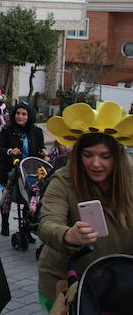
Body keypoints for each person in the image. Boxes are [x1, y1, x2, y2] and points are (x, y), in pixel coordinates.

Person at [37, 103, 133, 311]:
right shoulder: (64, 180)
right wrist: (68, 235)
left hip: (120, 283)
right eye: (88, 155)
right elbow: (47, 225)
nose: (95, 164)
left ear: (117, 156)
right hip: (68, 283)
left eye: (105, 156)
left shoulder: (130, 177)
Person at [0, 102, 46, 236]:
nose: (20, 116)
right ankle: (4, 224)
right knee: (6, 199)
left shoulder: (37, 131)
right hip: (9, 170)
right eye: (18, 113)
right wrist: (10, 151)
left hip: (30, 172)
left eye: (24, 114)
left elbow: (40, 147)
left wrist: (43, 152)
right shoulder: (7, 129)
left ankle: (26, 228)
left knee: (28, 199)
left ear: (29, 116)